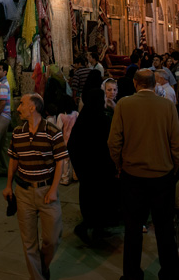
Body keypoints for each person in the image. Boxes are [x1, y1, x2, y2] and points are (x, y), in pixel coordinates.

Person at [108, 69, 179, 280]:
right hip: (162, 176)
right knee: (165, 228)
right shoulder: (167, 106)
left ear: (135, 84)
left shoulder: (123, 105)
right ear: (154, 85)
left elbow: (114, 142)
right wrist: (173, 166)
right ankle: (170, 273)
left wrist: (120, 165)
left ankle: (132, 274)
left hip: (133, 176)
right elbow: (176, 143)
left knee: (132, 229)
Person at [3, 93, 68, 280]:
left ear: (33, 107)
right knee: (28, 242)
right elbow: (13, 160)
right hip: (23, 192)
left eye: (22, 104)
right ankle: (37, 276)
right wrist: (8, 185)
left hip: (46, 191)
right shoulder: (17, 132)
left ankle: (41, 267)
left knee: (52, 238)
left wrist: (54, 189)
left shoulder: (52, 131)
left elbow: (60, 162)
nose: (18, 108)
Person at [68, 88, 118, 245]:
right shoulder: (101, 119)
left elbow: (72, 145)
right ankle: (87, 228)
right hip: (98, 170)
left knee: (93, 200)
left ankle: (97, 230)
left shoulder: (84, 119)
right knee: (99, 201)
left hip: (89, 171)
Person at [56, 95, 78, 185]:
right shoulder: (76, 114)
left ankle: (65, 178)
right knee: (75, 158)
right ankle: (75, 175)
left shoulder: (61, 116)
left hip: (65, 140)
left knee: (66, 160)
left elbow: (58, 129)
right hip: (76, 140)